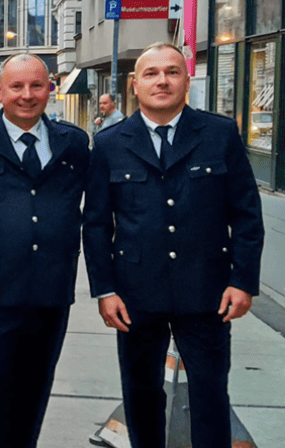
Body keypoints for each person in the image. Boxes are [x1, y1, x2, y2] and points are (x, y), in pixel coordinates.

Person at [83, 43, 264, 448]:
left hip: (206, 292)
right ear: (134, 84)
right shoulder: (111, 143)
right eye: (151, 73)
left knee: (210, 393)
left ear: (186, 80)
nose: (161, 81)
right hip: (135, 295)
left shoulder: (219, 134)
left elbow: (247, 214)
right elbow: (95, 224)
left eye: (172, 72)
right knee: (141, 392)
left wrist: (243, 281)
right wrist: (105, 290)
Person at [0, 53, 90, 448]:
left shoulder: (75, 143)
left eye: (36, 86)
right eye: (16, 86)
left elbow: (104, 209)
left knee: (35, 388)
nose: (27, 95)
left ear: (50, 88)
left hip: (51, 289)